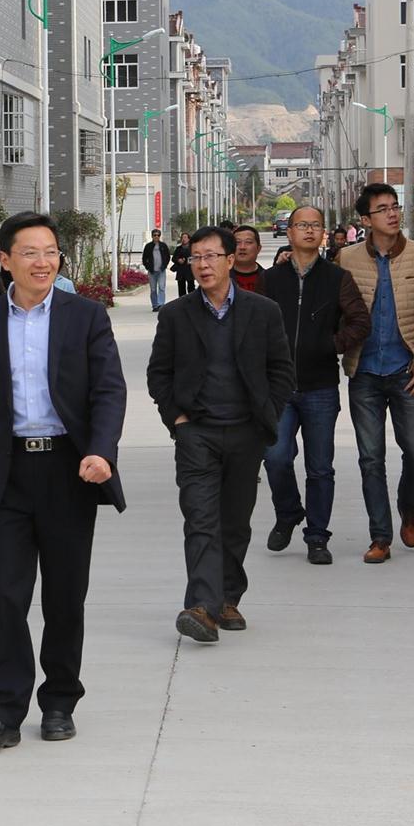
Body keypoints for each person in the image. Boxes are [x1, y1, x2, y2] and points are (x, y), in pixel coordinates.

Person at [0, 212, 127, 751]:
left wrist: (101, 450)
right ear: (5, 259)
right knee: (5, 596)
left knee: (64, 595)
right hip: (6, 473)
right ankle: (1, 713)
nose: (43, 262)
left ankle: (59, 702)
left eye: (50, 252)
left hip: (67, 471)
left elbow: (109, 390)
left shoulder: (85, 316)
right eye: (30, 252)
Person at [147, 226, 294, 642]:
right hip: (197, 433)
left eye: (211, 256)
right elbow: (159, 374)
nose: (203, 265)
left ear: (231, 260)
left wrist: (267, 417)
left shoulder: (263, 311)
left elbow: (281, 371)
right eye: (196, 257)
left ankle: (228, 598)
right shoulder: (176, 314)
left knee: (235, 521)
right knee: (201, 518)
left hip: (246, 432)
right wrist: (177, 420)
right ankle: (202, 607)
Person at [338, 183, 414, 564]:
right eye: (382, 208)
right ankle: (380, 537)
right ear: (366, 219)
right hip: (364, 373)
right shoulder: (346, 259)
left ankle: (408, 507)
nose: (392, 213)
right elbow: (334, 310)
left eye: (395, 206)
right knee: (371, 458)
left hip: (407, 372)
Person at [261, 206, 369, 565]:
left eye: (315, 225)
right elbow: (252, 325)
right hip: (278, 388)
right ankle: (289, 511)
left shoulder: (337, 278)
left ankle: (318, 537)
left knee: (320, 467)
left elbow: (360, 321)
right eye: (301, 225)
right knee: (275, 457)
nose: (309, 230)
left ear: (323, 233)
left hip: (320, 386)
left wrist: (330, 344)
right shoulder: (271, 280)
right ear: (289, 232)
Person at [142, 228, 171, 311]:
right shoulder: (148, 246)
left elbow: (167, 256)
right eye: (154, 235)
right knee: (153, 289)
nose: (156, 237)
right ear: (152, 236)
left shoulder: (163, 246)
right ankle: (155, 305)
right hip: (152, 271)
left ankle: (161, 304)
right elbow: (144, 258)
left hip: (161, 271)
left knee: (162, 288)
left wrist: (164, 265)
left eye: (158, 235)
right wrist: (148, 267)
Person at [230, 225, 265, 293]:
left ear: (258, 248)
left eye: (248, 242)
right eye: (237, 242)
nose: (242, 247)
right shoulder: (221, 278)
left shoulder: (268, 278)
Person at [171, 231, 194, 299]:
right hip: (181, 271)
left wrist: (189, 261)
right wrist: (178, 260)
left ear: (189, 239)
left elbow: (195, 257)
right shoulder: (179, 248)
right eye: (182, 238)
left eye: (185, 237)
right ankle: (182, 302)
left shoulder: (192, 248)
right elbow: (173, 258)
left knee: (191, 288)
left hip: (189, 270)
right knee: (181, 289)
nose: (183, 239)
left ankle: (191, 302)